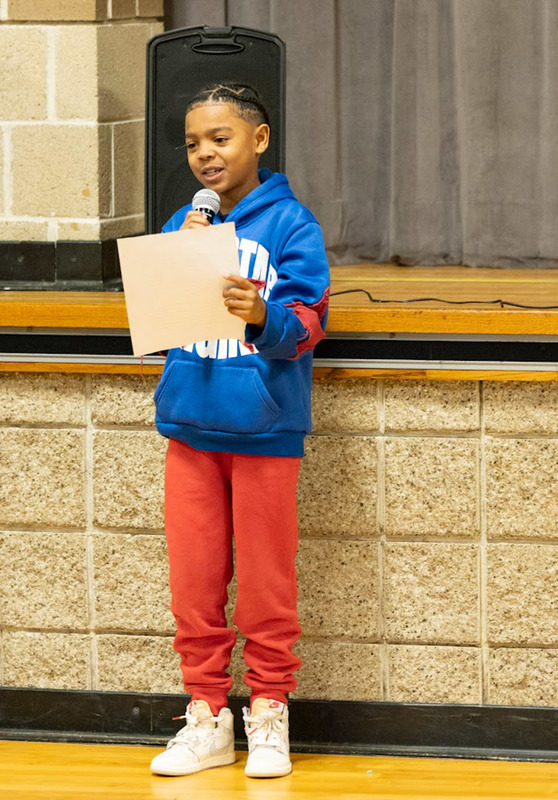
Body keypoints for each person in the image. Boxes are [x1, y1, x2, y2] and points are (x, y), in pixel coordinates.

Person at [149, 83, 329, 780]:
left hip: (263, 433)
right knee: (193, 584)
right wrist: (174, 260)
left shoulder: (291, 226)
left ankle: (270, 711)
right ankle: (206, 714)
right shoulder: (180, 223)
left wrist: (262, 313)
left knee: (264, 585)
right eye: (194, 143)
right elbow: (161, 332)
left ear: (258, 140)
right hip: (190, 429)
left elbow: (307, 326)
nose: (204, 155)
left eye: (220, 139)